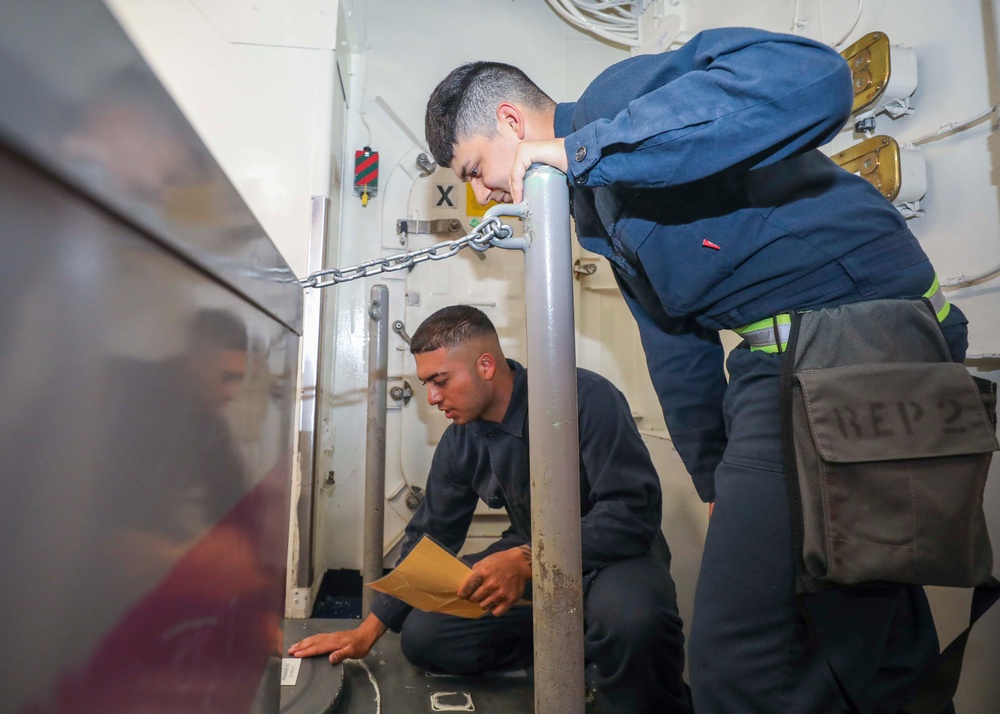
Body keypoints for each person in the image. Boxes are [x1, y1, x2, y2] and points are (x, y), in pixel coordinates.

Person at [422, 28, 969, 713]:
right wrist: (712, 470)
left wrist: (581, 149)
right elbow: (672, 336)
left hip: (862, 342)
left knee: (737, 658)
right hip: (781, 363)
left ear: (509, 122)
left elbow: (816, 77)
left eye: (475, 170)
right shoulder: (594, 211)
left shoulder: (616, 102)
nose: (486, 194)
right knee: (859, 619)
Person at [290, 305, 691, 713]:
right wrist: (369, 630)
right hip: (529, 552)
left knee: (634, 622)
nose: (432, 398)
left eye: (440, 381)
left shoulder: (585, 399)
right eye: (427, 384)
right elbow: (432, 537)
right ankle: (580, 641)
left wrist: (526, 560)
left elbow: (633, 512)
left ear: (485, 365)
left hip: (613, 553)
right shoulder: (461, 439)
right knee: (425, 636)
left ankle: (616, 656)